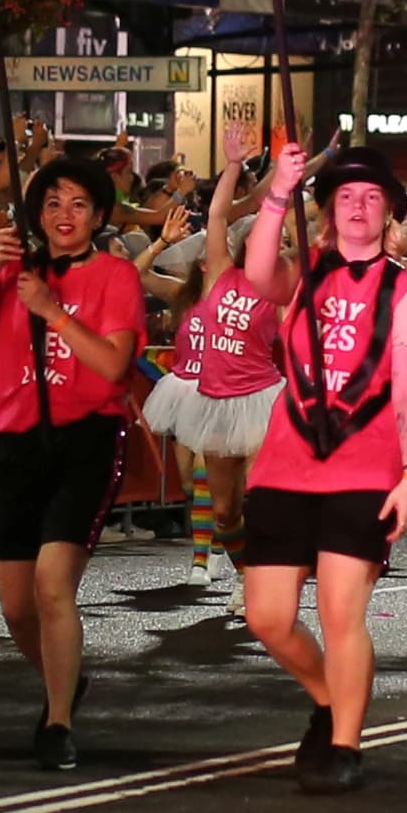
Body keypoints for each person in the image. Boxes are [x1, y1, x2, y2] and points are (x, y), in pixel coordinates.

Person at [234, 143, 407, 791]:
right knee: (267, 616)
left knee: (340, 611)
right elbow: (256, 272)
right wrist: (277, 191)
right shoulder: (306, 272)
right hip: (285, 462)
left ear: (390, 216)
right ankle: (327, 697)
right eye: (345, 195)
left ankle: (346, 742)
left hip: (364, 466)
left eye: (372, 197)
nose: (357, 205)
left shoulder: (406, 292)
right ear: (325, 211)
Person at [0, 150, 145, 771]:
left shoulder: (115, 276)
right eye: (52, 203)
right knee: (15, 606)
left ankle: (57, 721)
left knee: (54, 586)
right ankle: (65, 675)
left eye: (78, 204)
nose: (64, 215)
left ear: (98, 215)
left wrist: (51, 312)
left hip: (84, 442)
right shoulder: (14, 271)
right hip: (17, 446)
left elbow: (113, 367)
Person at [138, 170, 278, 610]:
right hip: (215, 401)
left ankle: (262, 579)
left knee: (260, 495)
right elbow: (217, 214)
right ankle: (245, 574)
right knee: (224, 511)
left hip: (261, 400)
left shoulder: (280, 289)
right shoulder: (218, 276)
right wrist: (233, 165)